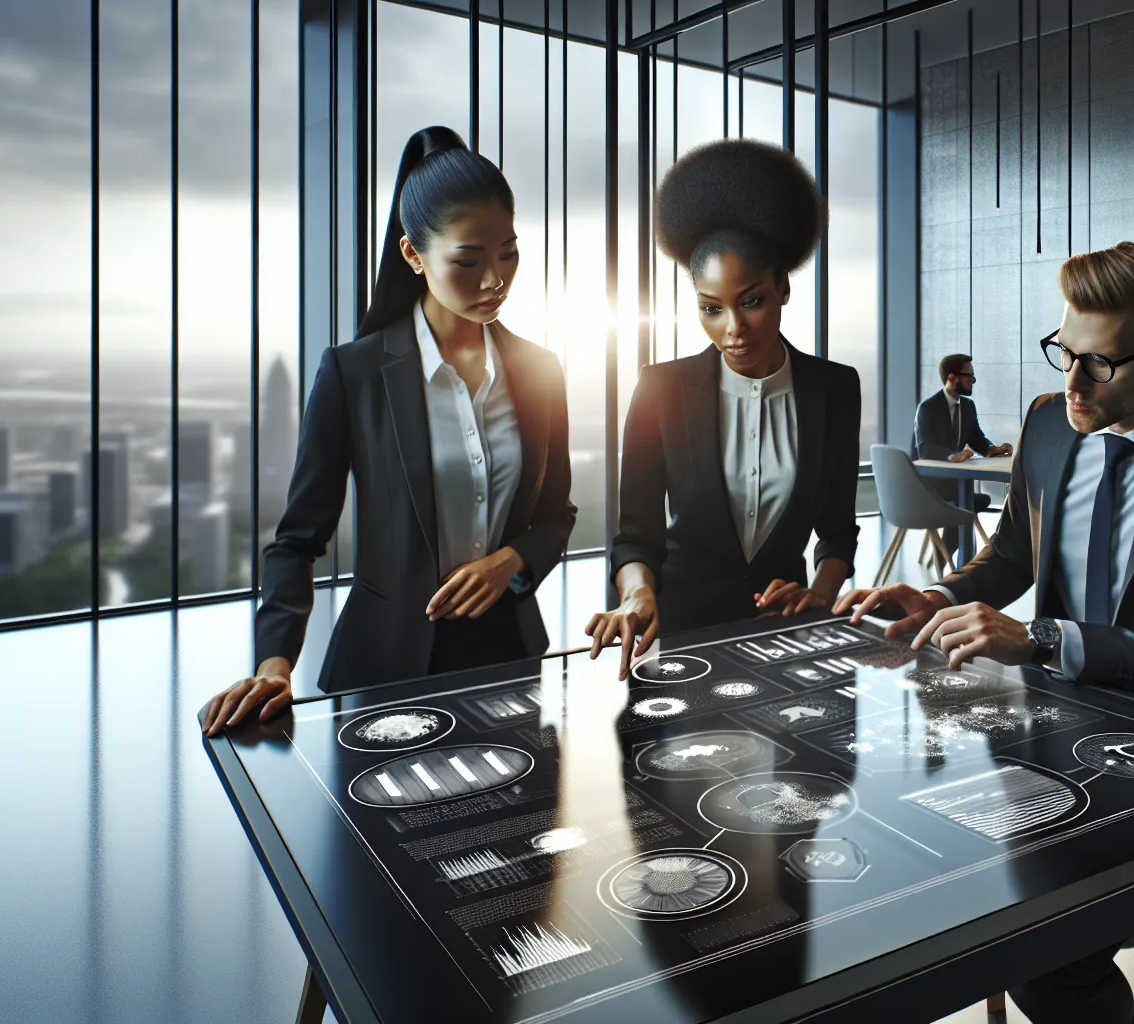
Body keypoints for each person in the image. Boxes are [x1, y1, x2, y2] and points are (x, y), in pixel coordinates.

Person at [835, 241, 1134, 1024]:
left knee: (1038, 949)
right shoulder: (1050, 424)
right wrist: (941, 594)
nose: (1072, 382)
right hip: (1049, 736)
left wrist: (1045, 640)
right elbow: (1013, 553)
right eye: (1063, 351)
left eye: (1099, 364)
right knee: (887, 859)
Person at [203, 126, 575, 736]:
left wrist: (509, 561)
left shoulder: (541, 371)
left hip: (509, 664)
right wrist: (274, 665)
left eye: (508, 252)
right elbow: (297, 540)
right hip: (384, 671)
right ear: (413, 255)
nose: (495, 279)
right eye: (468, 260)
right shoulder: (354, 374)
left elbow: (556, 515)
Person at [586, 139, 861, 680]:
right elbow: (635, 537)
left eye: (751, 301)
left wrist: (819, 594)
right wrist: (637, 592)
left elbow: (837, 530)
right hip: (680, 639)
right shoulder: (659, 389)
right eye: (711, 309)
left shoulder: (835, 389)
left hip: (786, 640)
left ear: (783, 288)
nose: (733, 329)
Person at [914, 352, 1013, 561]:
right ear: (952, 378)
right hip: (931, 485)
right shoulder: (928, 408)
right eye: (970, 377)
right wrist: (954, 456)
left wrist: (992, 449)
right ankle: (950, 560)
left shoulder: (968, 407)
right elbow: (925, 449)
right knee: (967, 503)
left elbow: (976, 438)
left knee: (969, 501)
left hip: (956, 484)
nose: (973, 382)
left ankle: (947, 559)